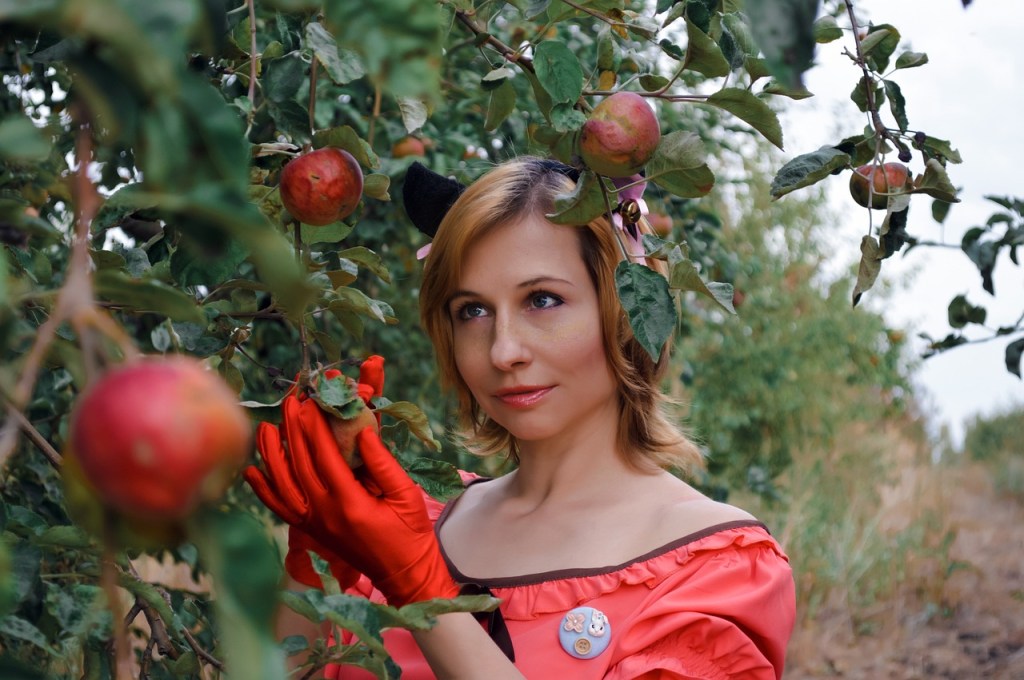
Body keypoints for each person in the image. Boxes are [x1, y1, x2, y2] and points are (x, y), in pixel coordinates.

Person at [245, 157, 796, 679]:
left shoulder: (715, 567)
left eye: (542, 300)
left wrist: (424, 594)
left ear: (624, 308)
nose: (502, 351)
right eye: (473, 311)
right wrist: (314, 567)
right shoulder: (408, 523)